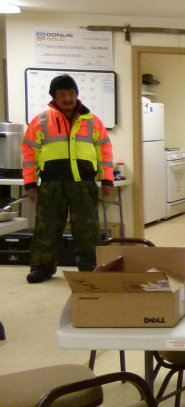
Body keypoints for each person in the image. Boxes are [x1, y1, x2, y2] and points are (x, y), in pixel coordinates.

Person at [21, 74, 113, 282]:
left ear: (76, 94)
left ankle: (89, 267)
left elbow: (105, 152)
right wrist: (30, 183)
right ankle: (43, 267)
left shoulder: (92, 121)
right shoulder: (41, 120)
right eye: (62, 94)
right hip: (51, 184)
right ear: (54, 97)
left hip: (84, 183)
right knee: (48, 228)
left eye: (71, 93)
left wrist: (107, 179)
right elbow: (29, 154)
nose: (68, 99)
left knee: (87, 229)